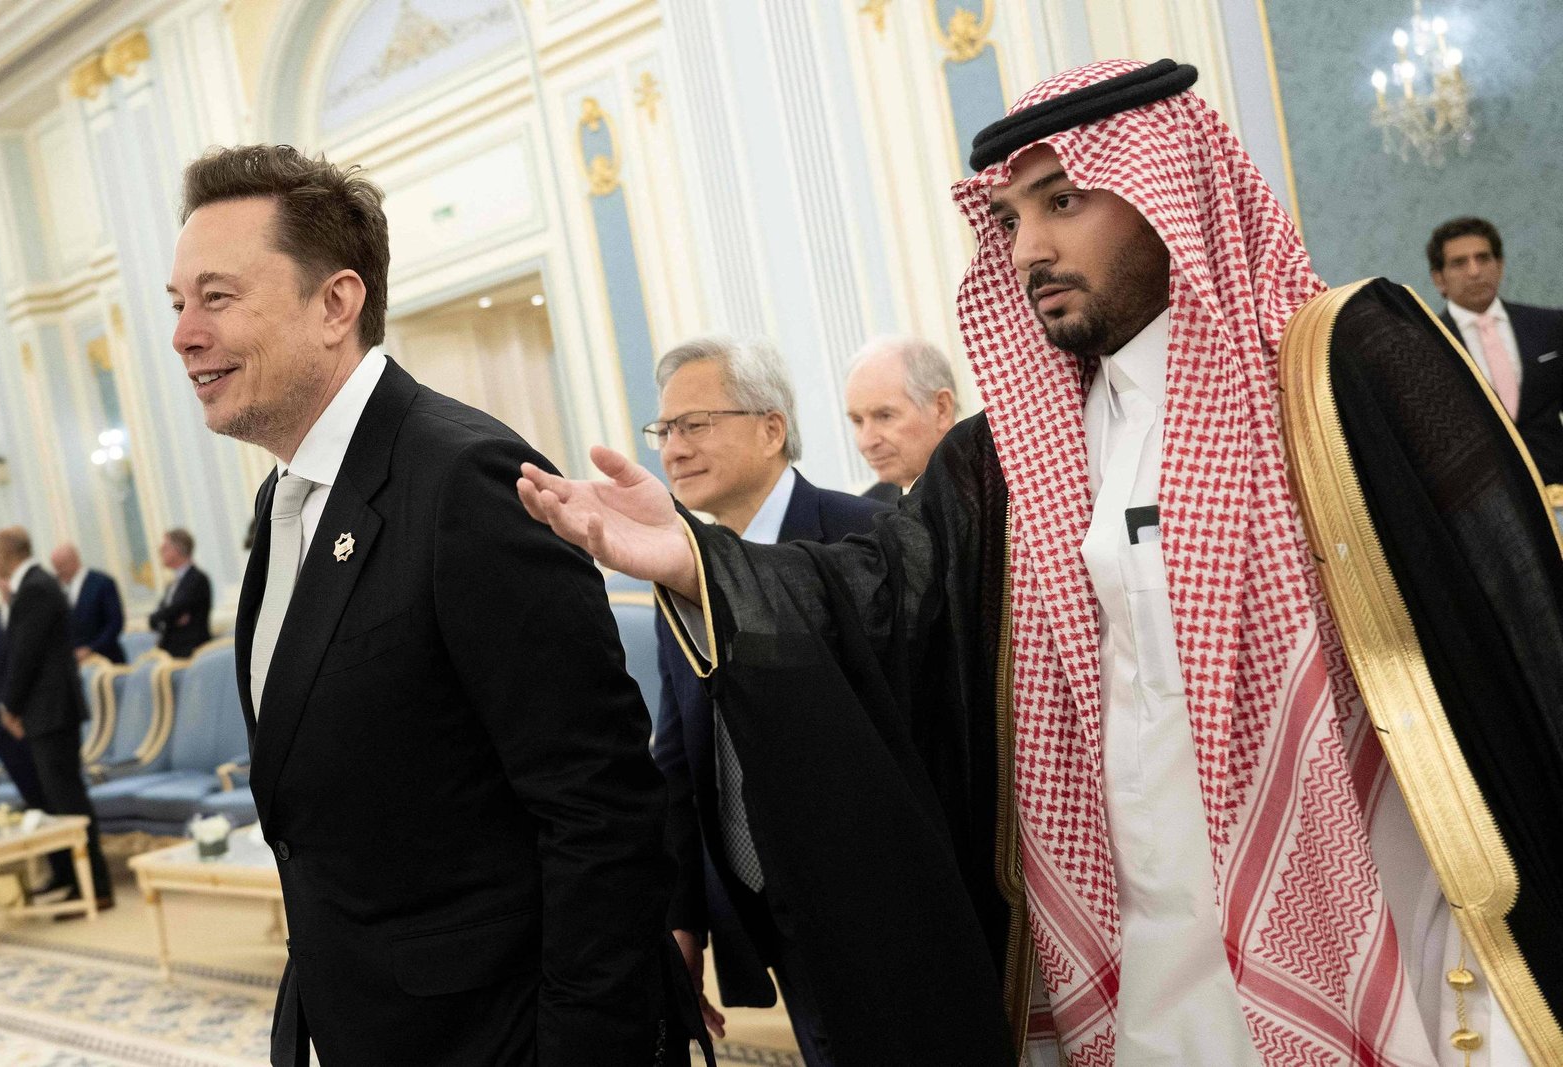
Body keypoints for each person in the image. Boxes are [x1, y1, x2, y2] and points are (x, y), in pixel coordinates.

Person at [519, 60, 1558, 1066]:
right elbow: (873, 595)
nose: (1029, 247)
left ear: (1168, 191)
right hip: (1142, 933)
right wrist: (698, 560)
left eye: (1063, 201)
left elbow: (1514, 618)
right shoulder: (1007, 455)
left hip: (1380, 906)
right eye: (1012, 218)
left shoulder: (1342, 367)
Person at [169, 144, 683, 1067]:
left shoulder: (464, 478)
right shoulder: (286, 500)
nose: (183, 336)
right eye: (177, 305)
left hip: (501, 1035)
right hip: (366, 1021)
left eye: (217, 297)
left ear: (337, 303)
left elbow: (599, 807)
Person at [646, 336, 887, 1064]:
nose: (674, 449)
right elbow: (678, 761)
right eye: (664, 431)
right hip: (767, 913)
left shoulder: (863, 537)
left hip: (879, 908)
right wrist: (681, 921)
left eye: (695, 425)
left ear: (771, 427)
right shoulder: (682, 572)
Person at [0, 527, 113, 909]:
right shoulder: (35, 585)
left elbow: (26, 655)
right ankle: (72, 879)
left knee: (69, 802)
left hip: (51, 711)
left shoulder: (35, 588)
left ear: (8, 554)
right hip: (48, 711)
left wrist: (9, 705)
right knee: (59, 801)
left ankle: (94, 886)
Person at [1427, 217, 1563, 487]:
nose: (1475, 271)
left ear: (1499, 266)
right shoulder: (1428, 343)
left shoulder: (1550, 325)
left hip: (1556, 485)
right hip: (1484, 493)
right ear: (1439, 278)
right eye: (1459, 263)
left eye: (1483, 258)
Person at [842, 336, 957, 503]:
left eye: (885, 416)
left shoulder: (1004, 487)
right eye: (858, 421)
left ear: (941, 408)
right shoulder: (864, 516)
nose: (866, 443)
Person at [0, 581, 45, 814]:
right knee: (32, 798)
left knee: (56, 796)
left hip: (42, 722)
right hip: (5, 732)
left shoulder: (40, 619)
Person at [50, 543, 127, 664]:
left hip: (106, 661)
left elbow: (115, 623)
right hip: (72, 665)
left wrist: (91, 649)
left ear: (74, 561)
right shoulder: (56, 588)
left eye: (61, 567)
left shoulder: (102, 583)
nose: (58, 572)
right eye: (55, 568)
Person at [146, 529, 211, 658]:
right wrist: (168, 619)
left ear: (178, 549)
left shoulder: (196, 579)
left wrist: (166, 617)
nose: (160, 551)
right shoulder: (172, 584)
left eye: (165, 548)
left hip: (190, 652)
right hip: (169, 652)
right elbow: (156, 619)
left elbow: (175, 609)